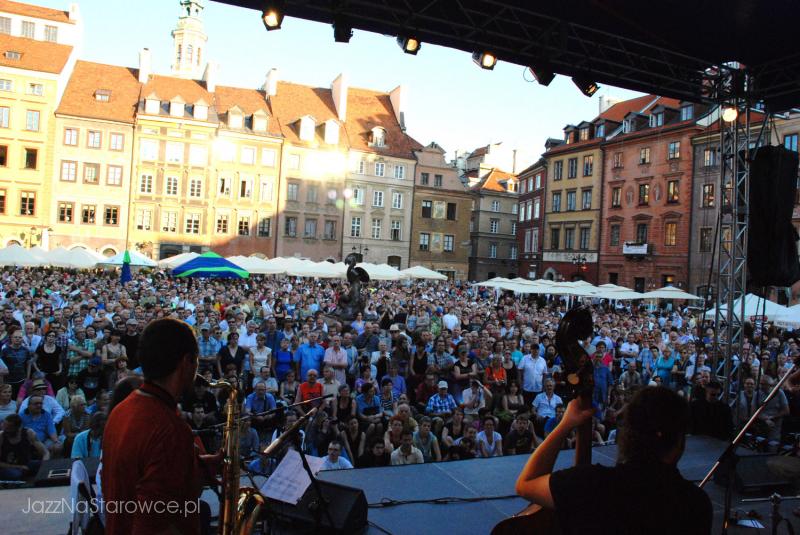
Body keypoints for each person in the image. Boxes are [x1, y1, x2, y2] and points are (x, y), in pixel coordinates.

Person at [515, 387, 712, 535]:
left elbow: (526, 484)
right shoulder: (695, 504)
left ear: (626, 435)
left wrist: (565, 424)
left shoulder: (591, 484)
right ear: (679, 442)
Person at [102, 318, 218, 534]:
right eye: (197, 360)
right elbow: (156, 524)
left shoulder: (121, 410)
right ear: (186, 362)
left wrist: (194, 465)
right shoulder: (169, 429)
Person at [0, 413, 48, 480]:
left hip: (26, 464)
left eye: (8, 428)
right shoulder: (1, 437)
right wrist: (19, 467)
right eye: (4, 426)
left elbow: (45, 453)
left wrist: (44, 466)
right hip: (8, 466)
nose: (5, 430)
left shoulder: (29, 433)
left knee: (46, 466)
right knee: (15, 475)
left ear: (18, 427)